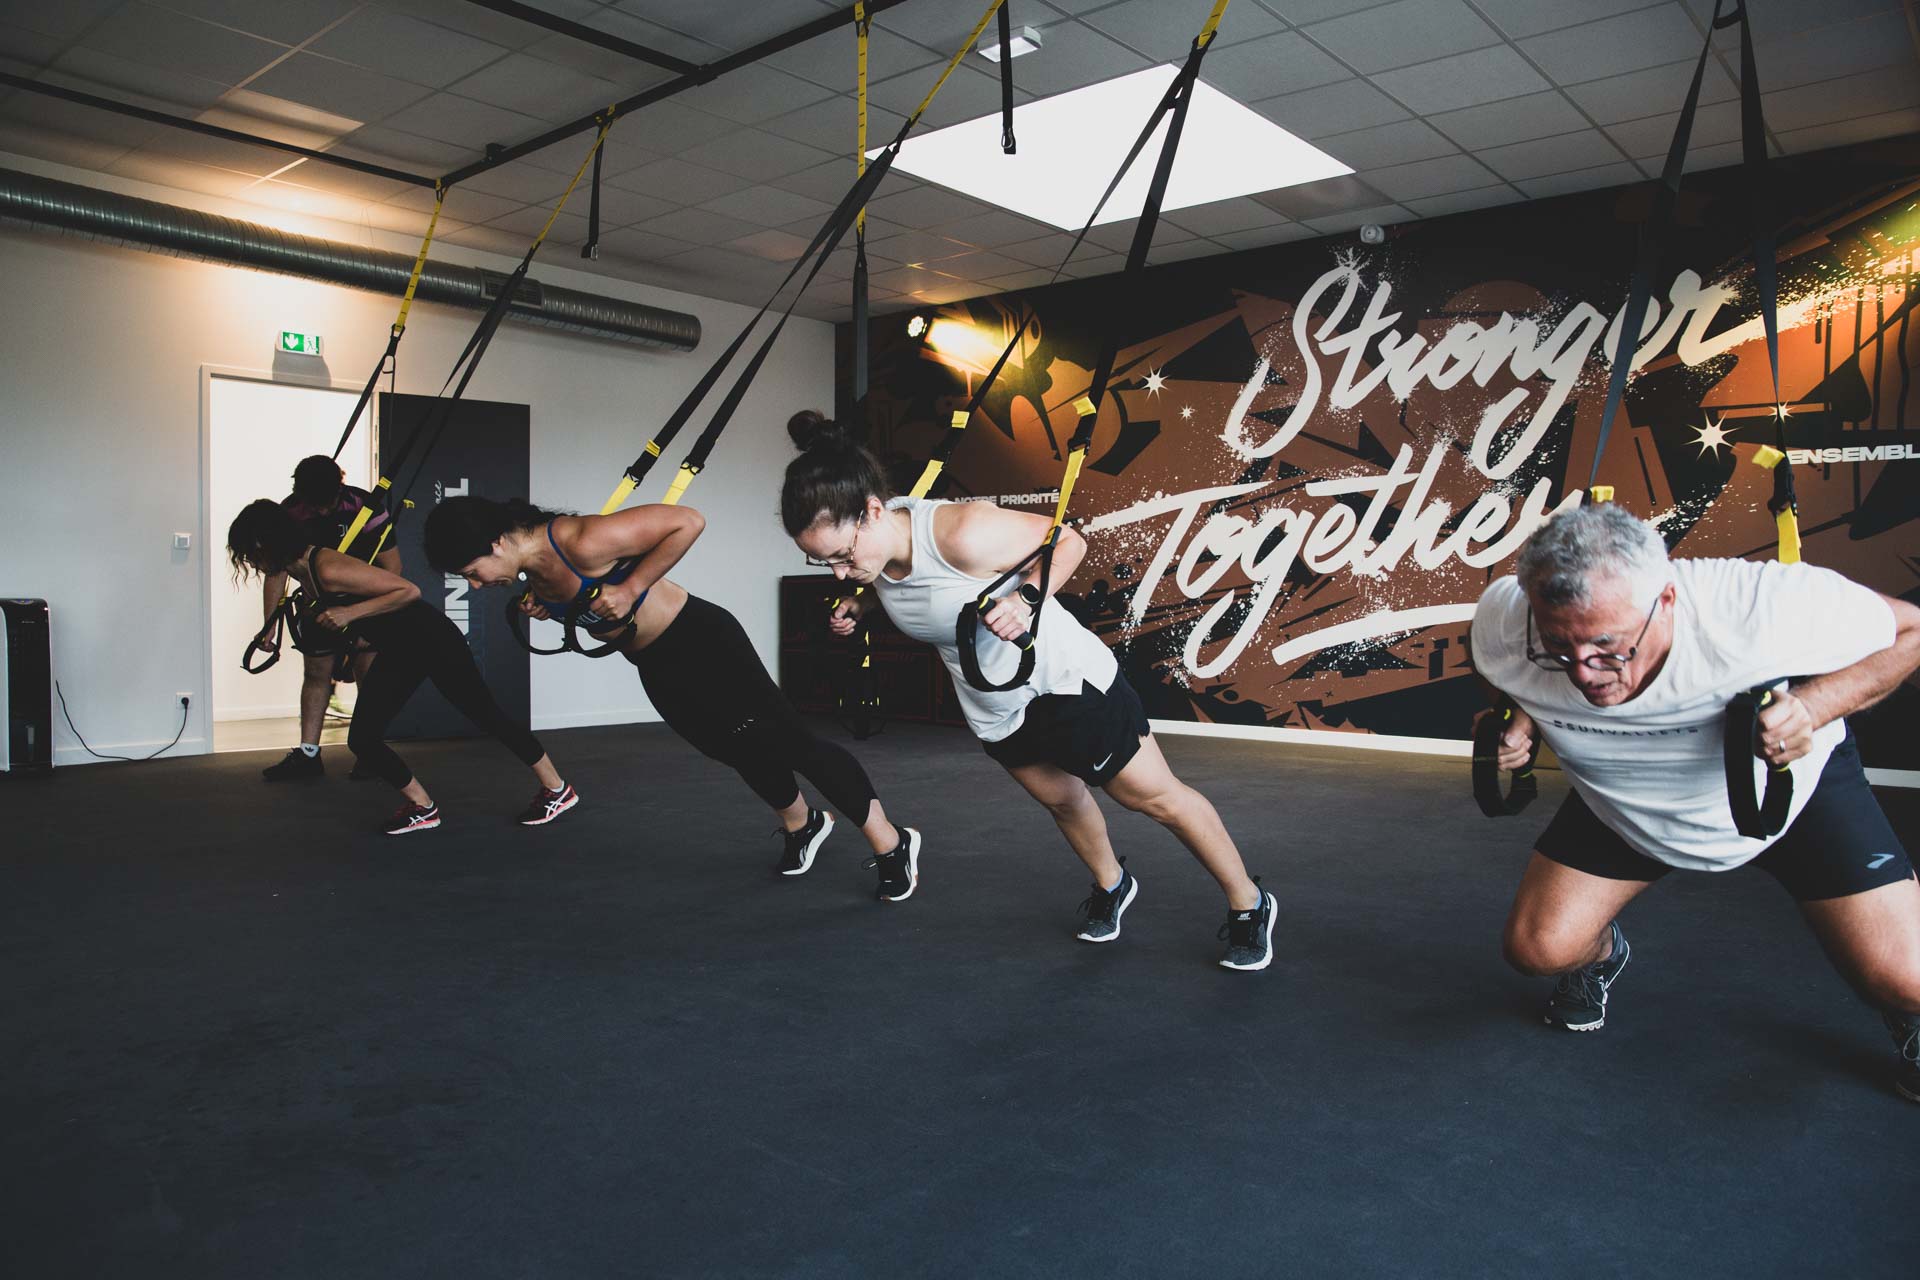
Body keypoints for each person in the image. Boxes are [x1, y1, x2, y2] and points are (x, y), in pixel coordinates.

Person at [780, 411, 1276, 971]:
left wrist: (1027, 600)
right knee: (1062, 801)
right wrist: (861, 602)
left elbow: (1068, 544)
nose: (840, 573)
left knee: (1153, 799)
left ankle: (1249, 903)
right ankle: (1112, 884)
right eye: (824, 564)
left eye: (843, 557)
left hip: (1062, 683)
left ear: (872, 512)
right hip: (996, 705)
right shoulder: (875, 559)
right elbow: (906, 587)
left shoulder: (960, 533)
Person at [1471, 501, 1920, 1101]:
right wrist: (1520, 720)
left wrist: (1813, 708)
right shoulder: (1507, 619)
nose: (1583, 674)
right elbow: (1506, 671)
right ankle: (1602, 957)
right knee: (1537, 950)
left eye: (1608, 648)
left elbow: (1911, 630)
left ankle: (1904, 1013)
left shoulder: (1757, 607)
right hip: (1623, 801)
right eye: (1559, 648)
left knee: (1907, 981)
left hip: (1784, 791)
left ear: (1667, 601)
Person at [422, 496, 921, 889]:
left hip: (701, 640)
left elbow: (687, 520)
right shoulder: (533, 572)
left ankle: (891, 842)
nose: (478, 585)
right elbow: (600, 614)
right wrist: (552, 610)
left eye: (471, 573)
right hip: (655, 661)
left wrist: (631, 585)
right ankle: (802, 824)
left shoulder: (581, 540)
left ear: (494, 545)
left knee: (793, 743)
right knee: (730, 748)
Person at [228, 499, 577, 835]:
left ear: (264, 545)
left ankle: (556, 788)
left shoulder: (327, 567)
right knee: (363, 739)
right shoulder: (302, 574)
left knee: (487, 715)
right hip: (401, 649)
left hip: (432, 639)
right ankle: (422, 808)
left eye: (249, 553)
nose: (250, 562)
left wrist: (350, 614)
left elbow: (407, 591)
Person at [256, 455, 401, 782]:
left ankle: (370, 753)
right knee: (316, 673)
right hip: (316, 606)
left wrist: (372, 616)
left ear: (340, 486)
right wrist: (269, 627)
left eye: (327, 504)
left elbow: (393, 568)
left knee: (369, 676)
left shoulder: (366, 505)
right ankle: (308, 755)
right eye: (314, 505)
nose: (321, 512)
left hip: (366, 603)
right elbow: (276, 572)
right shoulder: (290, 512)